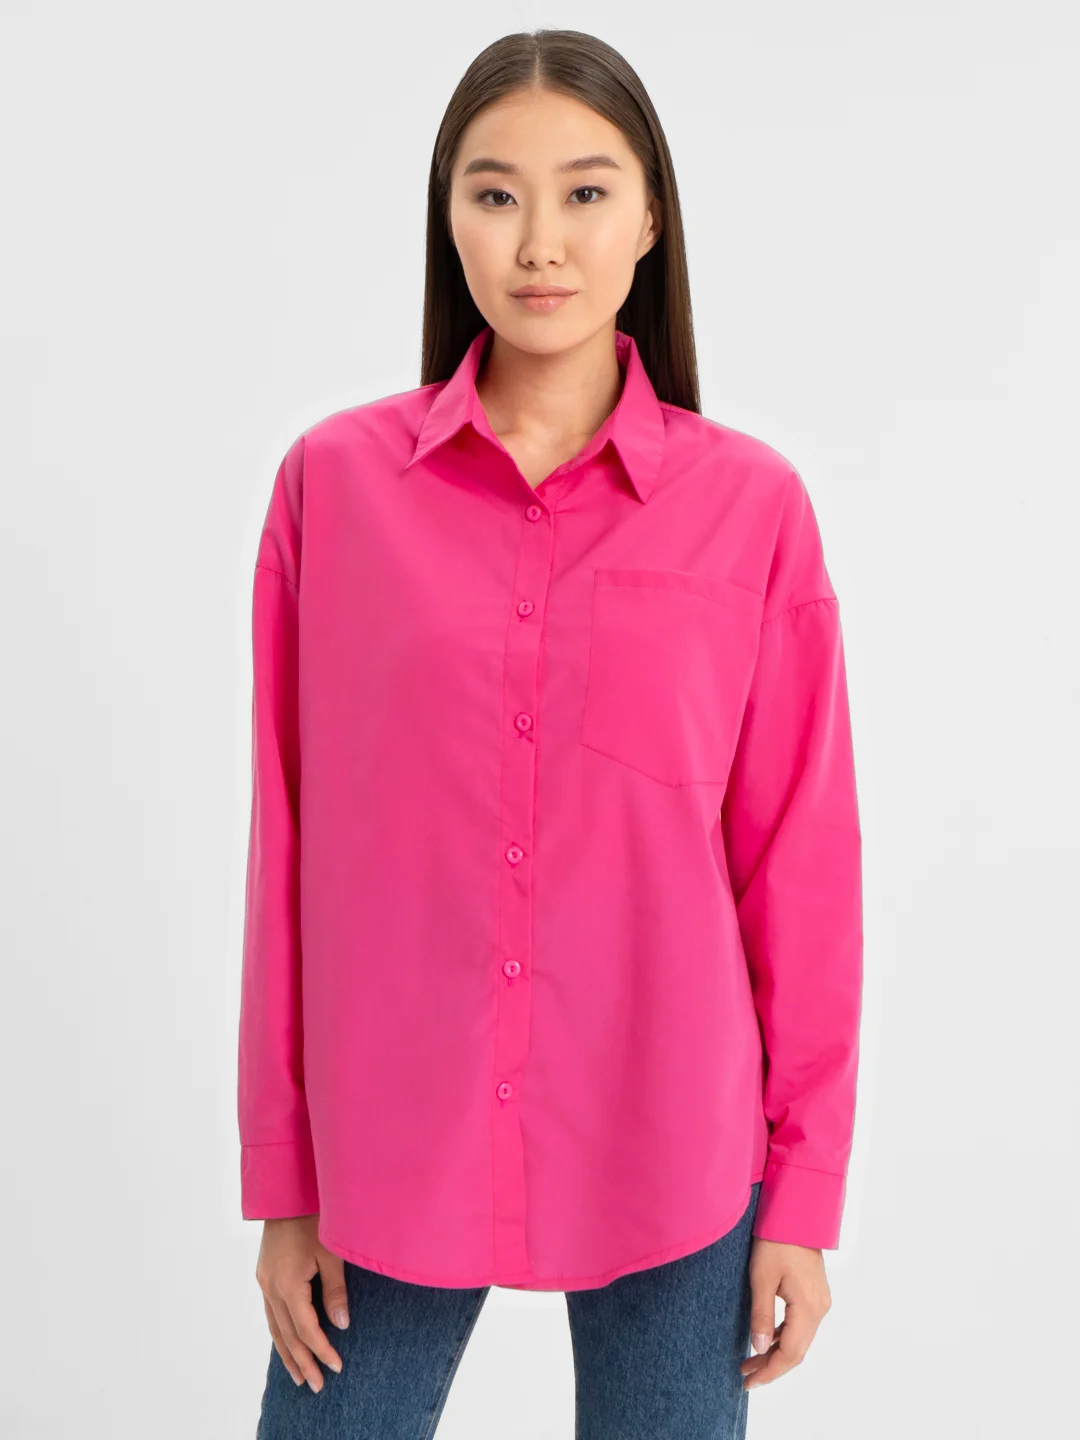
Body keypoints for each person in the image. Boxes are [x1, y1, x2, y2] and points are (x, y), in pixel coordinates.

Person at [238, 27, 863, 1440]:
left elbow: (801, 871)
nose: (540, 242)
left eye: (585, 192)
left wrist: (802, 1197)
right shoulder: (332, 490)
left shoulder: (752, 510)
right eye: (495, 193)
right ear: (448, 218)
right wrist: (284, 1180)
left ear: (649, 219)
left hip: (677, 1144)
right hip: (389, 1139)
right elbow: (288, 848)